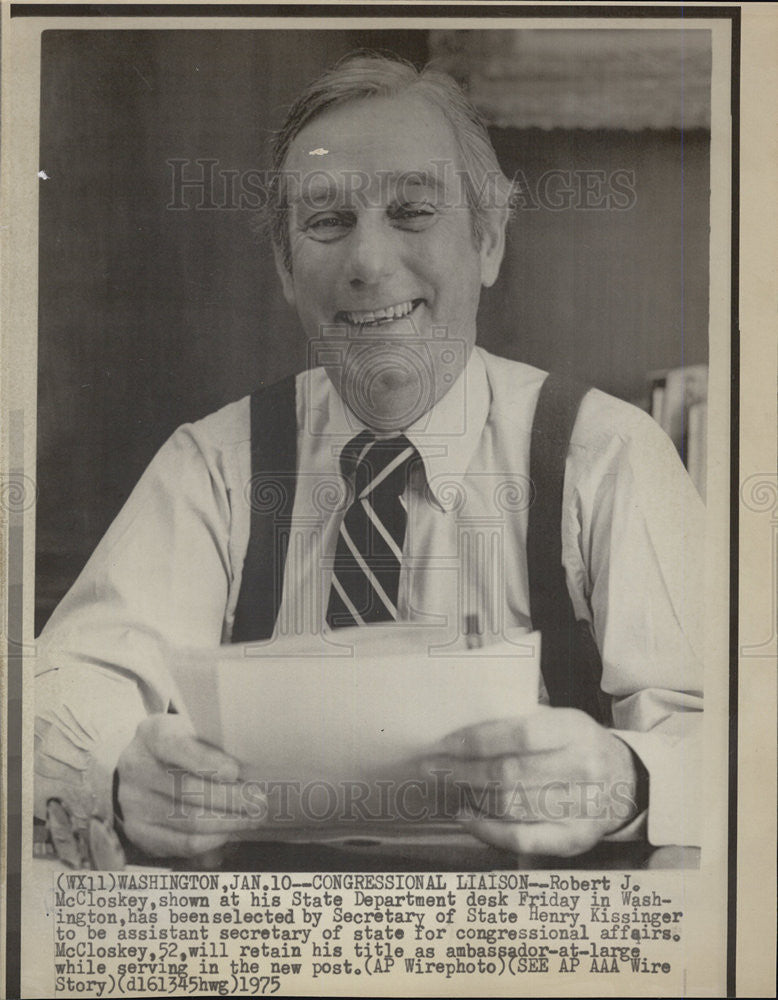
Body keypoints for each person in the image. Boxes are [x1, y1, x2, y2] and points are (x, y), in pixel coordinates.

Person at [34, 51, 703, 860]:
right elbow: (60, 692)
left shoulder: (607, 455)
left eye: (414, 212)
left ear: (488, 242)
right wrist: (117, 772)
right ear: (286, 267)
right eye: (326, 222)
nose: (369, 265)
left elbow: (740, 742)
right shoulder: (215, 467)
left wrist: (628, 777)